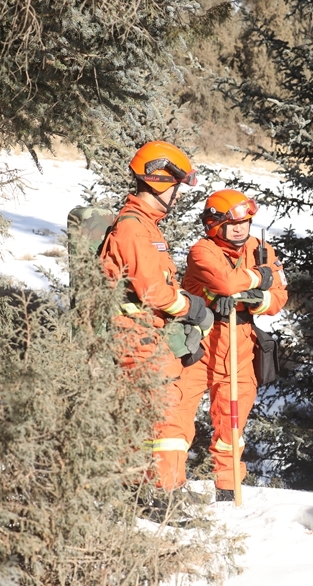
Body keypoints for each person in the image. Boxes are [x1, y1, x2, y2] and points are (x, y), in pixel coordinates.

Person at [99, 140, 214, 498]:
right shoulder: (134, 229)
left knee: (147, 416)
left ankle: (150, 490)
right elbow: (156, 293)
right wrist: (191, 308)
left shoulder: (147, 226)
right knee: (164, 417)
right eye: (177, 187)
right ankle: (163, 498)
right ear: (162, 182)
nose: (178, 195)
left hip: (147, 335)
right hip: (138, 338)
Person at [175, 188, 288, 501]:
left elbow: (279, 296)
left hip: (241, 346)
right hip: (199, 344)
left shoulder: (262, 249)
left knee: (231, 426)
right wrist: (258, 277)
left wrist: (257, 299)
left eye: (246, 221)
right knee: (176, 417)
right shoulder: (202, 250)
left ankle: (227, 489)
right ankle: (167, 489)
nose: (240, 228)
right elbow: (225, 283)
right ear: (214, 225)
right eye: (232, 222)